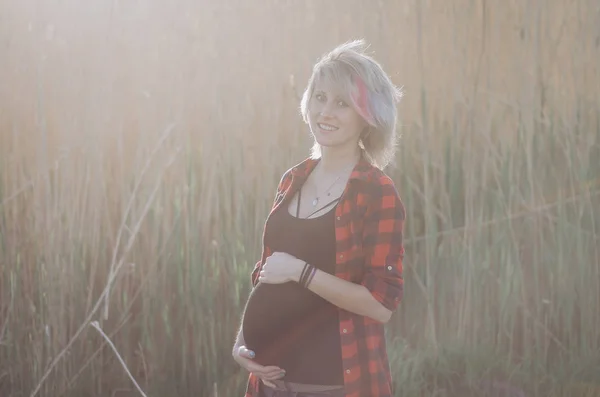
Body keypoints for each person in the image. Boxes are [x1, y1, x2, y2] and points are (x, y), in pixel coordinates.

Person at [232, 39, 406, 397]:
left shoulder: (376, 192)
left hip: (336, 387)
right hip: (270, 387)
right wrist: (243, 342)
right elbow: (269, 272)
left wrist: (302, 272)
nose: (325, 112)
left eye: (342, 103)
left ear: (368, 116)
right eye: (320, 97)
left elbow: (380, 304)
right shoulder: (292, 180)